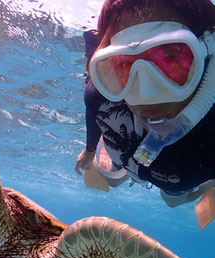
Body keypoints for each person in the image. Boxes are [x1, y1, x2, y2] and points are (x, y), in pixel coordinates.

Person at [74, 0, 215, 228]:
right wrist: (89, 151)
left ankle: (209, 186)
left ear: (208, 60)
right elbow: (92, 111)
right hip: (133, 161)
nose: (146, 92)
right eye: (123, 66)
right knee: (112, 179)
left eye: (171, 62)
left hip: (184, 175)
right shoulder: (99, 96)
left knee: (172, 201)